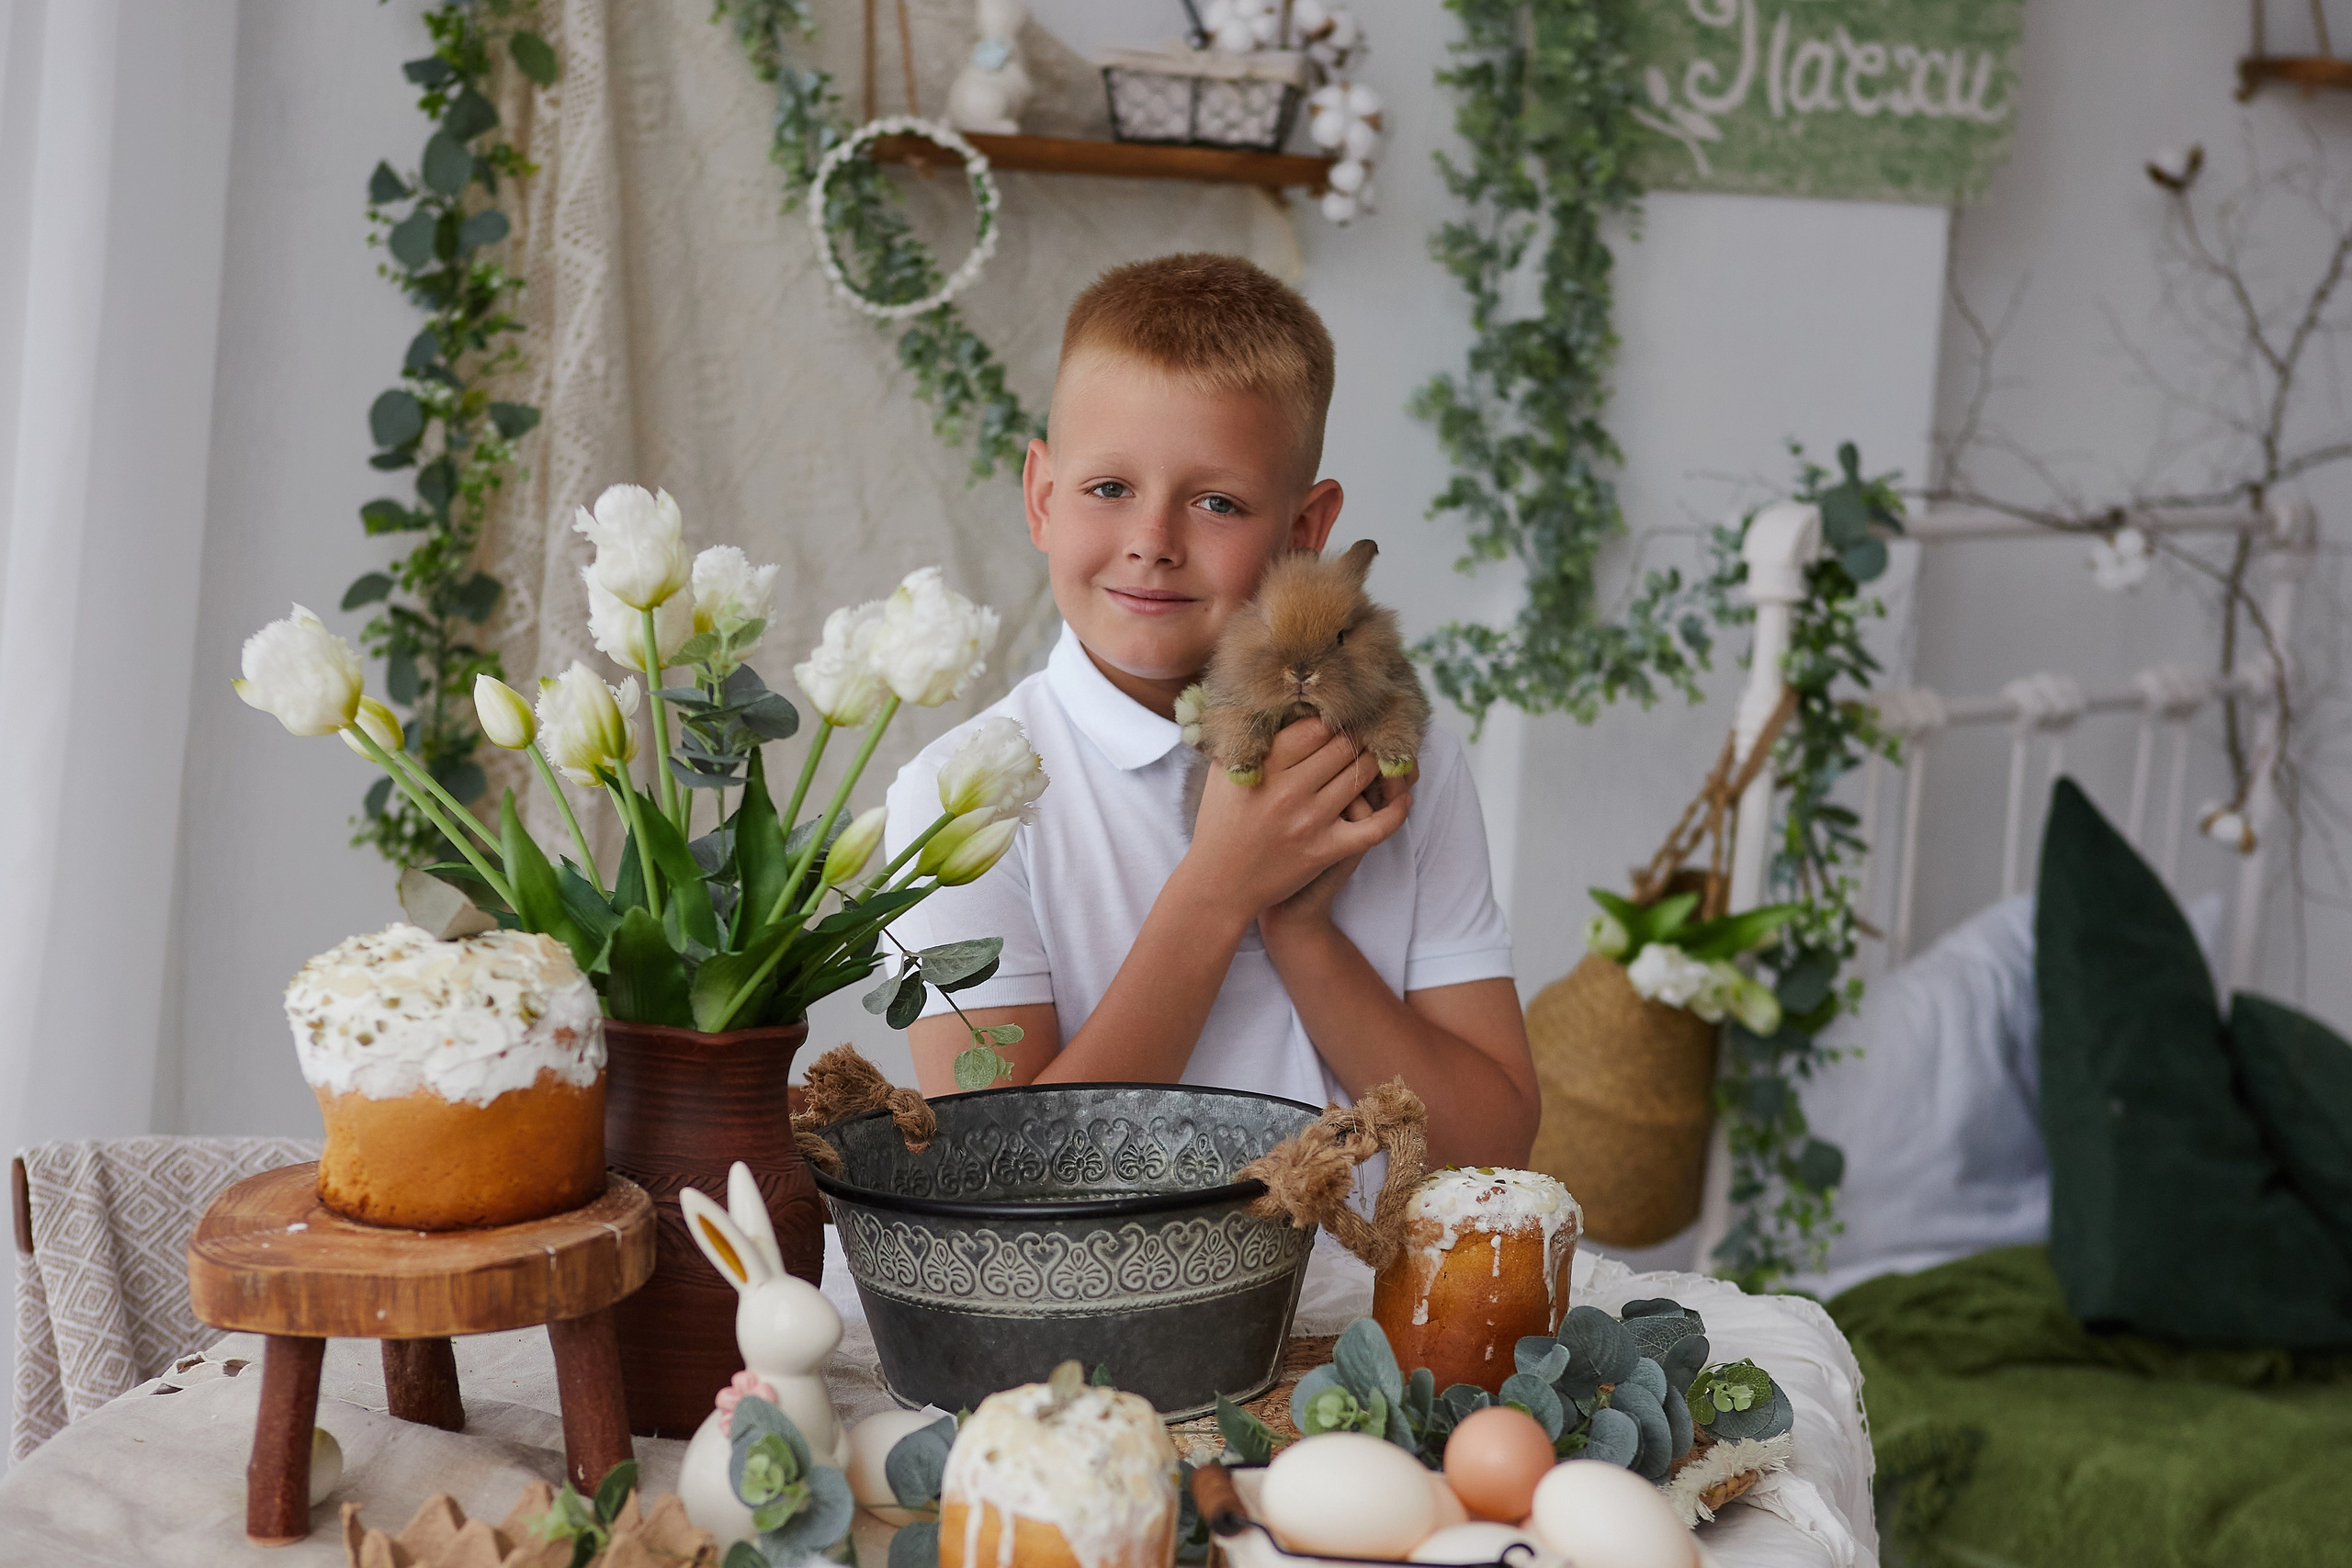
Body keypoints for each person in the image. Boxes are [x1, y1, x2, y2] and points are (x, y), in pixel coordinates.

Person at [883, 254, 1535, 1168]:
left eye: (1217, 503)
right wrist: (1221, 888)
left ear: (1304, 533)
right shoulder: (961, 797)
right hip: (1104, 1313)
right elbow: (997, 1180)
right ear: (1041, 497)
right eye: (1108, 489)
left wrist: (1300, 928)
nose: (1151, 544)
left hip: (1368, 1305)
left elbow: (1494, 1145)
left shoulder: (1397, 759)